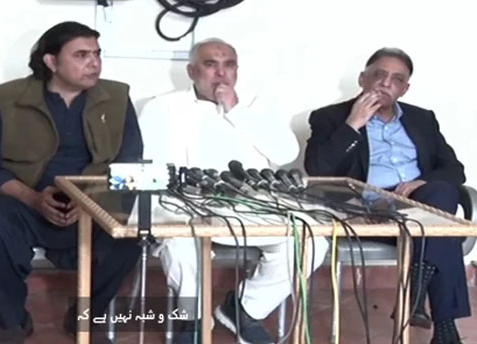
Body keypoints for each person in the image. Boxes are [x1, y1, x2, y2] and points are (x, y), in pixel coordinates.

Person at [139, 38, 329, 344]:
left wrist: (236, 110)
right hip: (185, 206)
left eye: (228, 65)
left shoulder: (255, 105)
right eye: (210, 65)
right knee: (179, 243)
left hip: (251, 206)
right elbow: (152, 169)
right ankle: (194, 320)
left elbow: (285, 154)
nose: (221, 73)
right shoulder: (162, 107)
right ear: (191, 71)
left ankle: (244, 310)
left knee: (311, 242)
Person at [0, 21, 143, 344]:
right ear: (51, 61)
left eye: (97, 54)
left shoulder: (116, 98)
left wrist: (89, 200)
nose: (94, 63)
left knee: (128, 236)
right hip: (24, 202)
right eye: (81, 55)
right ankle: (12, 322)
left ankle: (87, 315)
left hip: (93, 203)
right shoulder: (8, 98)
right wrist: (31, 198)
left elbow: (130, 162)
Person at [305, 47, 468, 344]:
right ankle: (444, 328)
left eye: (396, 79)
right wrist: (353, 125)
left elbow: (455, 169)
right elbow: (318, 171)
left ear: (405, 89)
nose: (385, 83)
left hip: (420, 205)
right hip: (368, 211)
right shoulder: (329, 118)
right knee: (444, 233)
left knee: (442, 191)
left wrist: (420, 182)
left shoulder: (422, 119)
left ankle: (418, 284)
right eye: (378, 75)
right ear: (362, 79)